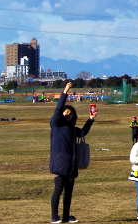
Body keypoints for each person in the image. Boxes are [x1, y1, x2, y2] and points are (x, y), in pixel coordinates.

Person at [50, 81, 95, 224]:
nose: (68, 114)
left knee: (68, 192)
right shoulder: (56, 124)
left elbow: (83, 132)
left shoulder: (72, 129)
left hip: (71, 162)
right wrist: (65, 91)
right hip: (60, 160)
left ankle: (66, 216)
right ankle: (54, 217)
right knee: (58, 189)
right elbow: (57, 110)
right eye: (66, 112)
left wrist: (91, 119)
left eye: (70, 112)